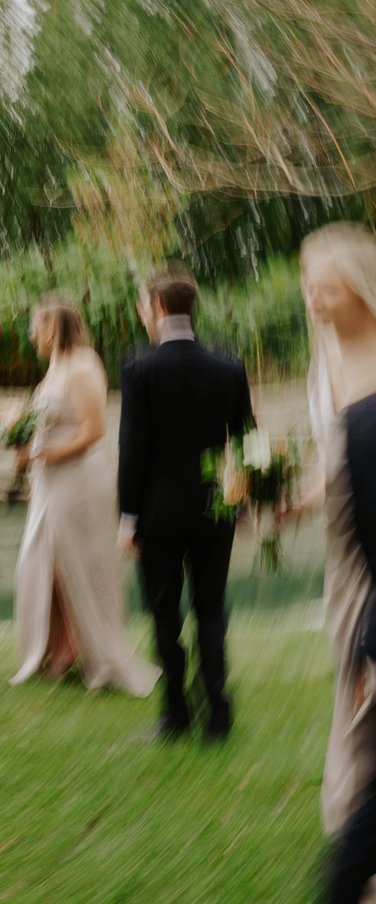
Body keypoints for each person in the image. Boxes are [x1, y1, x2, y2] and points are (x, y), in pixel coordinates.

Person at [277, 225, 376, 902]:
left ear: (361, 290)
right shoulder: (325, 360)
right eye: (308, 287)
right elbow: (331, 457)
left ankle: (358, 835)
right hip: (343, 553)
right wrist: (294, 501)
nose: (313, 300)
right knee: (352, 681)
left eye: (326, 288)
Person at [117, 265, 252, 742]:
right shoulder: (229, 368)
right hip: (216, 511)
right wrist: (243, 502)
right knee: (211, 611)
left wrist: (127, 518)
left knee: (164, 613)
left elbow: (132, 449)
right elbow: (246, 443)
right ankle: (218, 712)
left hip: (158, 515)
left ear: (157, 306)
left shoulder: (139, 370)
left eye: (142, 304)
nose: (141, 312)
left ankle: (175, 713)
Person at [9, 299, 159, 696]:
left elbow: (93, 432)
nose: (32, 335)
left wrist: (41, 456)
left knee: (75, 565)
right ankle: (58, 650)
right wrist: (24, 449)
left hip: (79, 481)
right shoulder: (54, 368)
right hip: (49, 483)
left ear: (54, 327)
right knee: (42, 565)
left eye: (36, 327)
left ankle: (90, 652)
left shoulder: (83, 366)